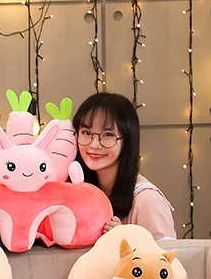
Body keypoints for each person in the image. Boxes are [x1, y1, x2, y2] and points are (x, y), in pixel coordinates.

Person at [72, 92, 176, 240]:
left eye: (108, 134)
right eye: (86, 132)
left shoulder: (148, 200)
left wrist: (126, 239)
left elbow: (168, 254)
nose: (94, 144)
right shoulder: (79, 189)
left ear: (127, 140)